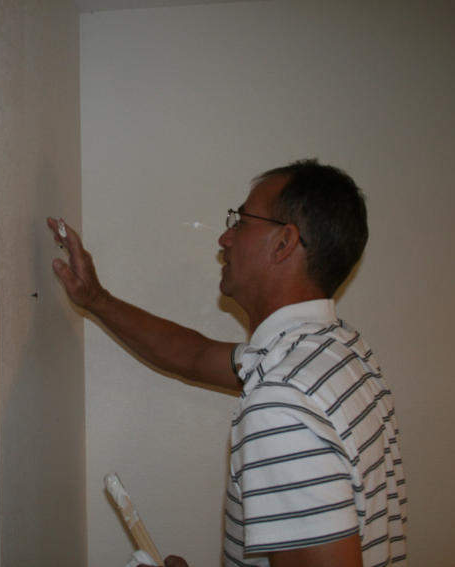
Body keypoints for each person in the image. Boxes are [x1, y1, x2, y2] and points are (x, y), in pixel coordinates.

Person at [47, 159, 407, 567]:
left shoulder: (284, 405)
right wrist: (96, 298)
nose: (224, 237)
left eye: (241, 221)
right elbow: (194, 355)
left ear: (284, 243)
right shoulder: (339, 351)